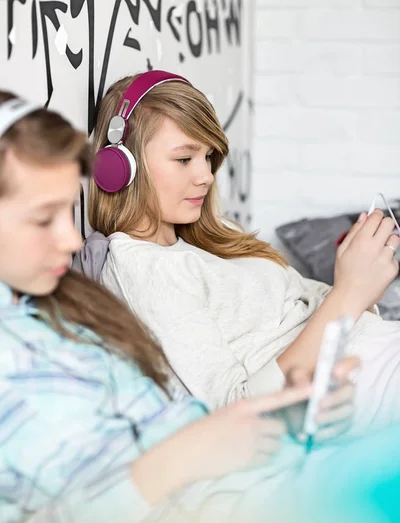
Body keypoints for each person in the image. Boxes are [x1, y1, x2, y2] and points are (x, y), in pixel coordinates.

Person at [0, 89, 367, 523]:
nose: (71, 237)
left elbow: (178, 431)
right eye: (43, 218)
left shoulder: (64, 307)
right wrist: (175, 463)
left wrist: (284, 421)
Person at [81, 70, 400, 432]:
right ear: (119, 168)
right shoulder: (144, 268)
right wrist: (349, 294)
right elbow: (234, 409)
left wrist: (362, 284)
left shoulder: (216, 234)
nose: (206, 175)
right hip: (359, 389)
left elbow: (313, 305)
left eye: (208, 156)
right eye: (185, 159)